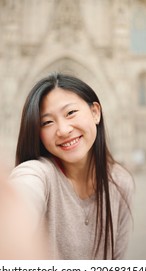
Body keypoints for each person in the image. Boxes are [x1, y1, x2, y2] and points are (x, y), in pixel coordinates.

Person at [9, 72, 134, 260]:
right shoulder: (37, 174)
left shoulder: (120, 182)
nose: (63, 130)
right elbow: (22, 198)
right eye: (47, 122)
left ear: (95, 112)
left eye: (71, 113)